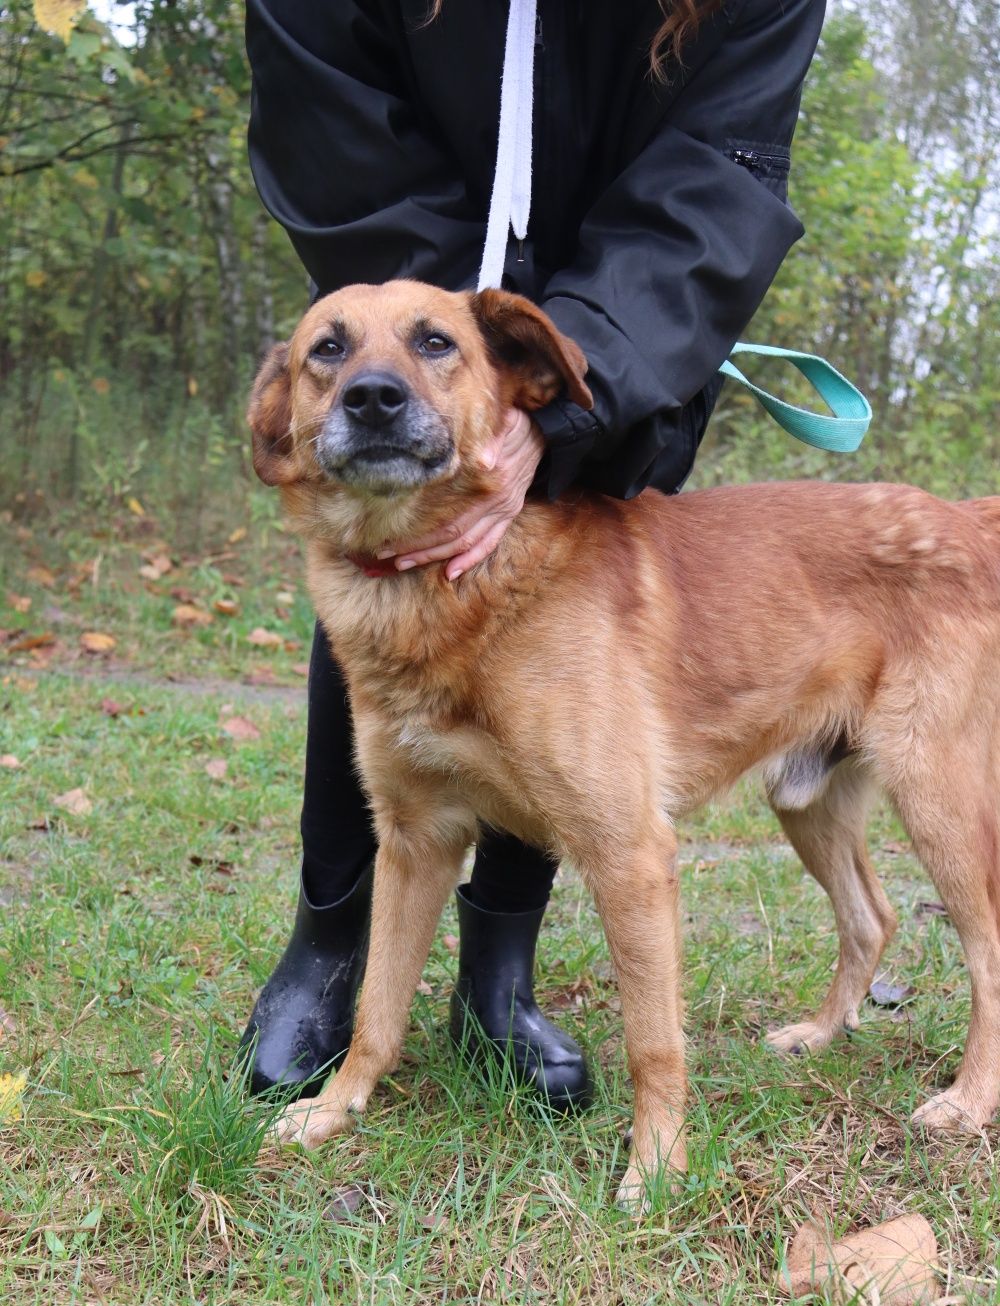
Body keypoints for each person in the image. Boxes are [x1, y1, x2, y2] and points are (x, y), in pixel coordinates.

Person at [239, 0, 826, 1108]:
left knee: (569, 723)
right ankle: (328, 945)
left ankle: (498, 975)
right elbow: (329, 124)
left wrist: (556, 384)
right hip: (403, 228)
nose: (370, 380)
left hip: (617, 291)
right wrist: (438, 358)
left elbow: (717, 174)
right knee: (400, 569)